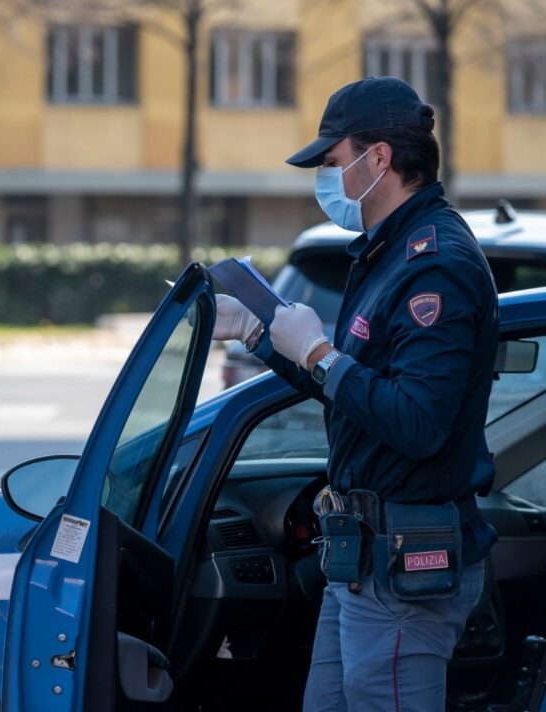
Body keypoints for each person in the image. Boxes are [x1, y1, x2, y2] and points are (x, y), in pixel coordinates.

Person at [213, 76, 498, 711]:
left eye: (335, 162)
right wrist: (264, 336)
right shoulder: (388, 253)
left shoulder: (435, 263)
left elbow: (419, 421)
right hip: (361, 556)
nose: (329, 181)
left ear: (379, 159)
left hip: (404, 566)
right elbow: (353, 391)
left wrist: (320, 352)